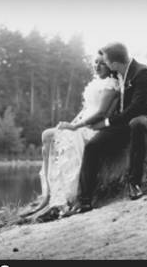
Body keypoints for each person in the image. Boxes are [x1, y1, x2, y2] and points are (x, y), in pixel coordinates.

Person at [70, 42, 147, 214]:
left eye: (105, 61)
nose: (104, 64)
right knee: (93, 146)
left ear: (114, 63)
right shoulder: (117, 73)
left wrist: (107, 123)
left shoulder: (142, 73)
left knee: (136, 123)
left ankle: (134, 183)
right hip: (124, 123)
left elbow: (137, 107)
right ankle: (84, 200)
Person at [35, 52, 120, 216]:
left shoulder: (111, 84)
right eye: (95, 63)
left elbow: (101, 113)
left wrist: (75, 127)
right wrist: (71, 124)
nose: (97, 66)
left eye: (102, 63)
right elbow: (85, 110)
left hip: (94, 126)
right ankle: (48, 194)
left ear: (110, 65)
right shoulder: (96, 83)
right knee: (48, 136)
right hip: (82, 124)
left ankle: (61, 198)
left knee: (49, 136)